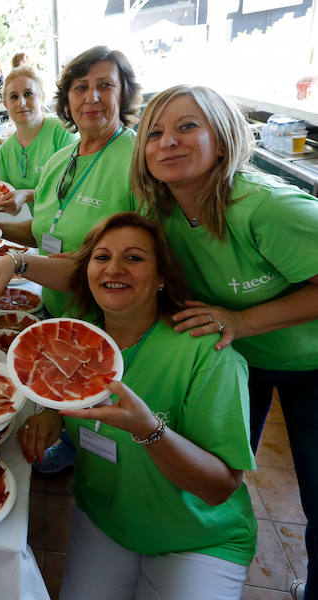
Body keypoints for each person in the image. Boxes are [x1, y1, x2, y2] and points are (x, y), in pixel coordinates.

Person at [0, 212, 257, 599]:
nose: (114, 268)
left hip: (197, 535)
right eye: (101, 257)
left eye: (134, 258)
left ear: (161, 278)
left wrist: (150, 431)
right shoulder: (75, 332)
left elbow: (220, 488)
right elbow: (70, 394)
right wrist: (52, 413)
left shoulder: (209, 354)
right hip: (106, 518)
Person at [131, 84, 318, 600]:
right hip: (243, 361)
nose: (168, 142)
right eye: (155, 132)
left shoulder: (267, 208)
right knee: (220, 472)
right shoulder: (164, 215)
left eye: (187, 126)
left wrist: (243, 320)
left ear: (224, 134)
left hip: (312, 363)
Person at [0, 45, 141, 318]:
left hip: (109, 324)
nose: (92, 97)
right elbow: (48, 228)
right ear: (67, 100)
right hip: (55, 311)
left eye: (105, 85)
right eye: (80, 88)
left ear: (124, 94)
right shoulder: (59, 161)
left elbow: (138, 263)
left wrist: (20, 262)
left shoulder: (139, 161)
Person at [0, 66, 78, 205]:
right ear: (6, 104)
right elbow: (8, 201)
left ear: (42, 97)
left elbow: (76, 189)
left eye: (28, 94)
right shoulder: (4, 152)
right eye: (14, 97)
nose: (21, 103)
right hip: (41, 226)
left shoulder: (62, 132)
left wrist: (28, 195)